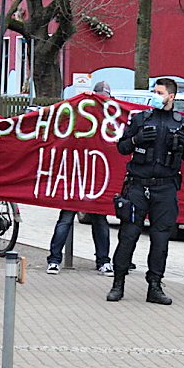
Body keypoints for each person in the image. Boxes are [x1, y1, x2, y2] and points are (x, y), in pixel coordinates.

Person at [106, 78, 184, 305]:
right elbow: (122, 147)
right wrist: (136, 138)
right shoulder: (140, 118)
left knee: (161, 239)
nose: (155, 95)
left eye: (159, 92)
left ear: (171, 96)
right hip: (138, 185)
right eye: (154, 91)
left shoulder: (182, 124)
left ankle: (155, 286)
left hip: (165, 188)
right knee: (128, 235)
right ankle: (118, 283)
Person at [46, 80, 113, 277]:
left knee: (99, 219)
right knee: (67, 219)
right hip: (76, 176)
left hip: (97, 178)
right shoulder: (79, 114)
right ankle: (55, 259)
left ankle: (103, 260)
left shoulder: (111, 116)